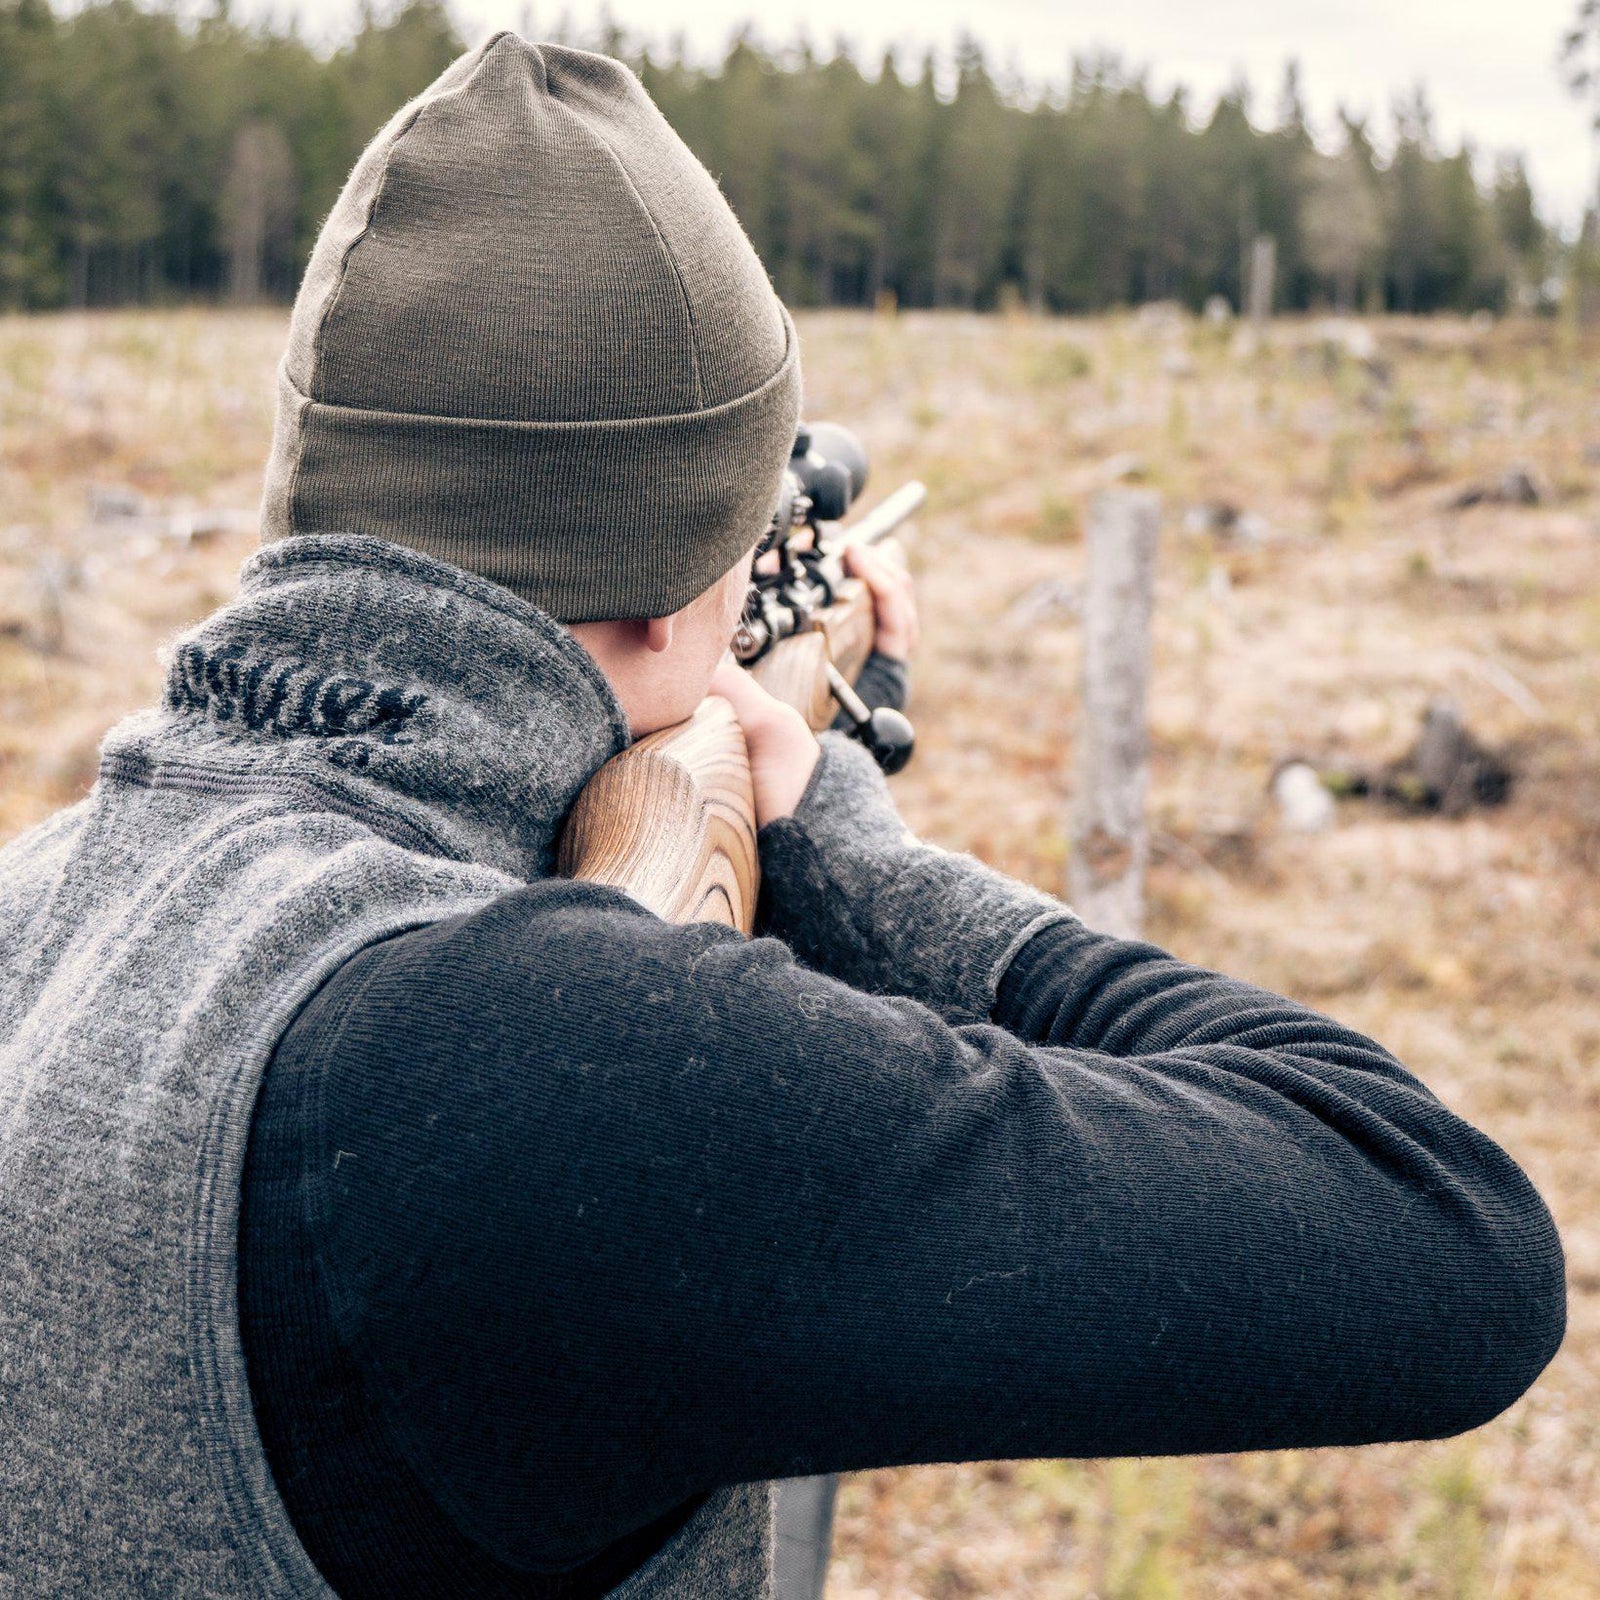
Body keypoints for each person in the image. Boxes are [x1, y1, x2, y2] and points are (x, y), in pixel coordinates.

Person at [0, 34, 1565, 1600]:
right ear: (691, 581)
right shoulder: (569, 1070)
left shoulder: (43, 898)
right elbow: (1447, 1235)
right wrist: (847, 849)